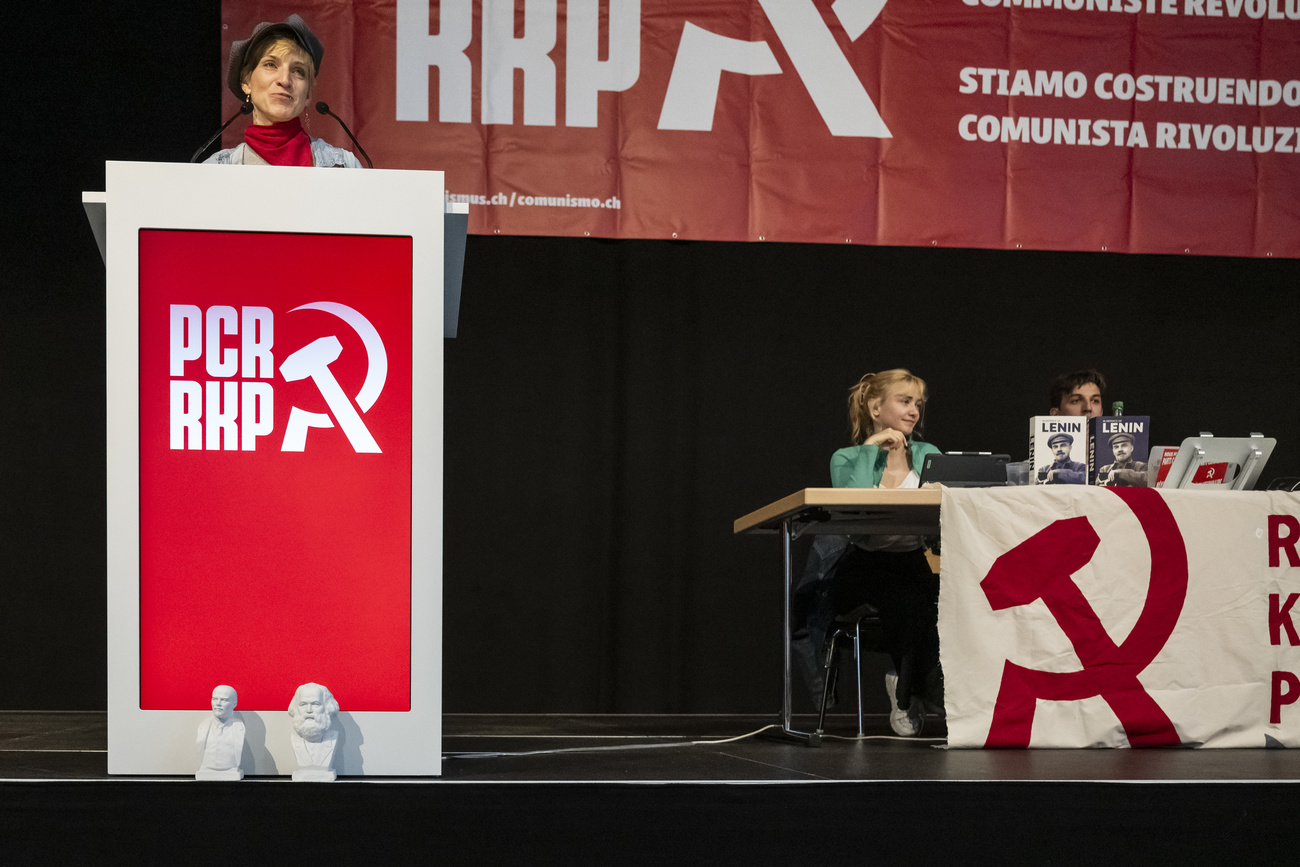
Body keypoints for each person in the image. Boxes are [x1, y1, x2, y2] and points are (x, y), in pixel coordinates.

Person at [827, 370, 942, 736]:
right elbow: (856, 518)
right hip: (863, 566)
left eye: (918, 405)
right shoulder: (845, 458)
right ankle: (910, 696)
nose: (914, 412)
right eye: (905, 402)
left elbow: (942, 519)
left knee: (944, 599)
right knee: (912, 599)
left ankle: (906, 683)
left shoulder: (927, 454)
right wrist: (869, 451)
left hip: (912, 562)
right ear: (877, 408)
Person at [205, 15, 362, 168]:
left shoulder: (345, 165)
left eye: (298, 71)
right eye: (271, 65)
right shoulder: (216, 169)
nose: (285, 80)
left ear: (308, 94)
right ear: (246, 82)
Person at [289, 682, 340, 781]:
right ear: (296, 708)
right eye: (303, 704)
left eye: (316, 704)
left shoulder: (333, 738)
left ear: (326, 708)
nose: (309, 710)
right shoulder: (294, 739)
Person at [196, 684, 245, 780]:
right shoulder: (203, 727)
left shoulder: (239, 729)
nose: (218, 703)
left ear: (234, 704)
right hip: (205, 771)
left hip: (232, 771)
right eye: (214, 699)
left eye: (224, 700)